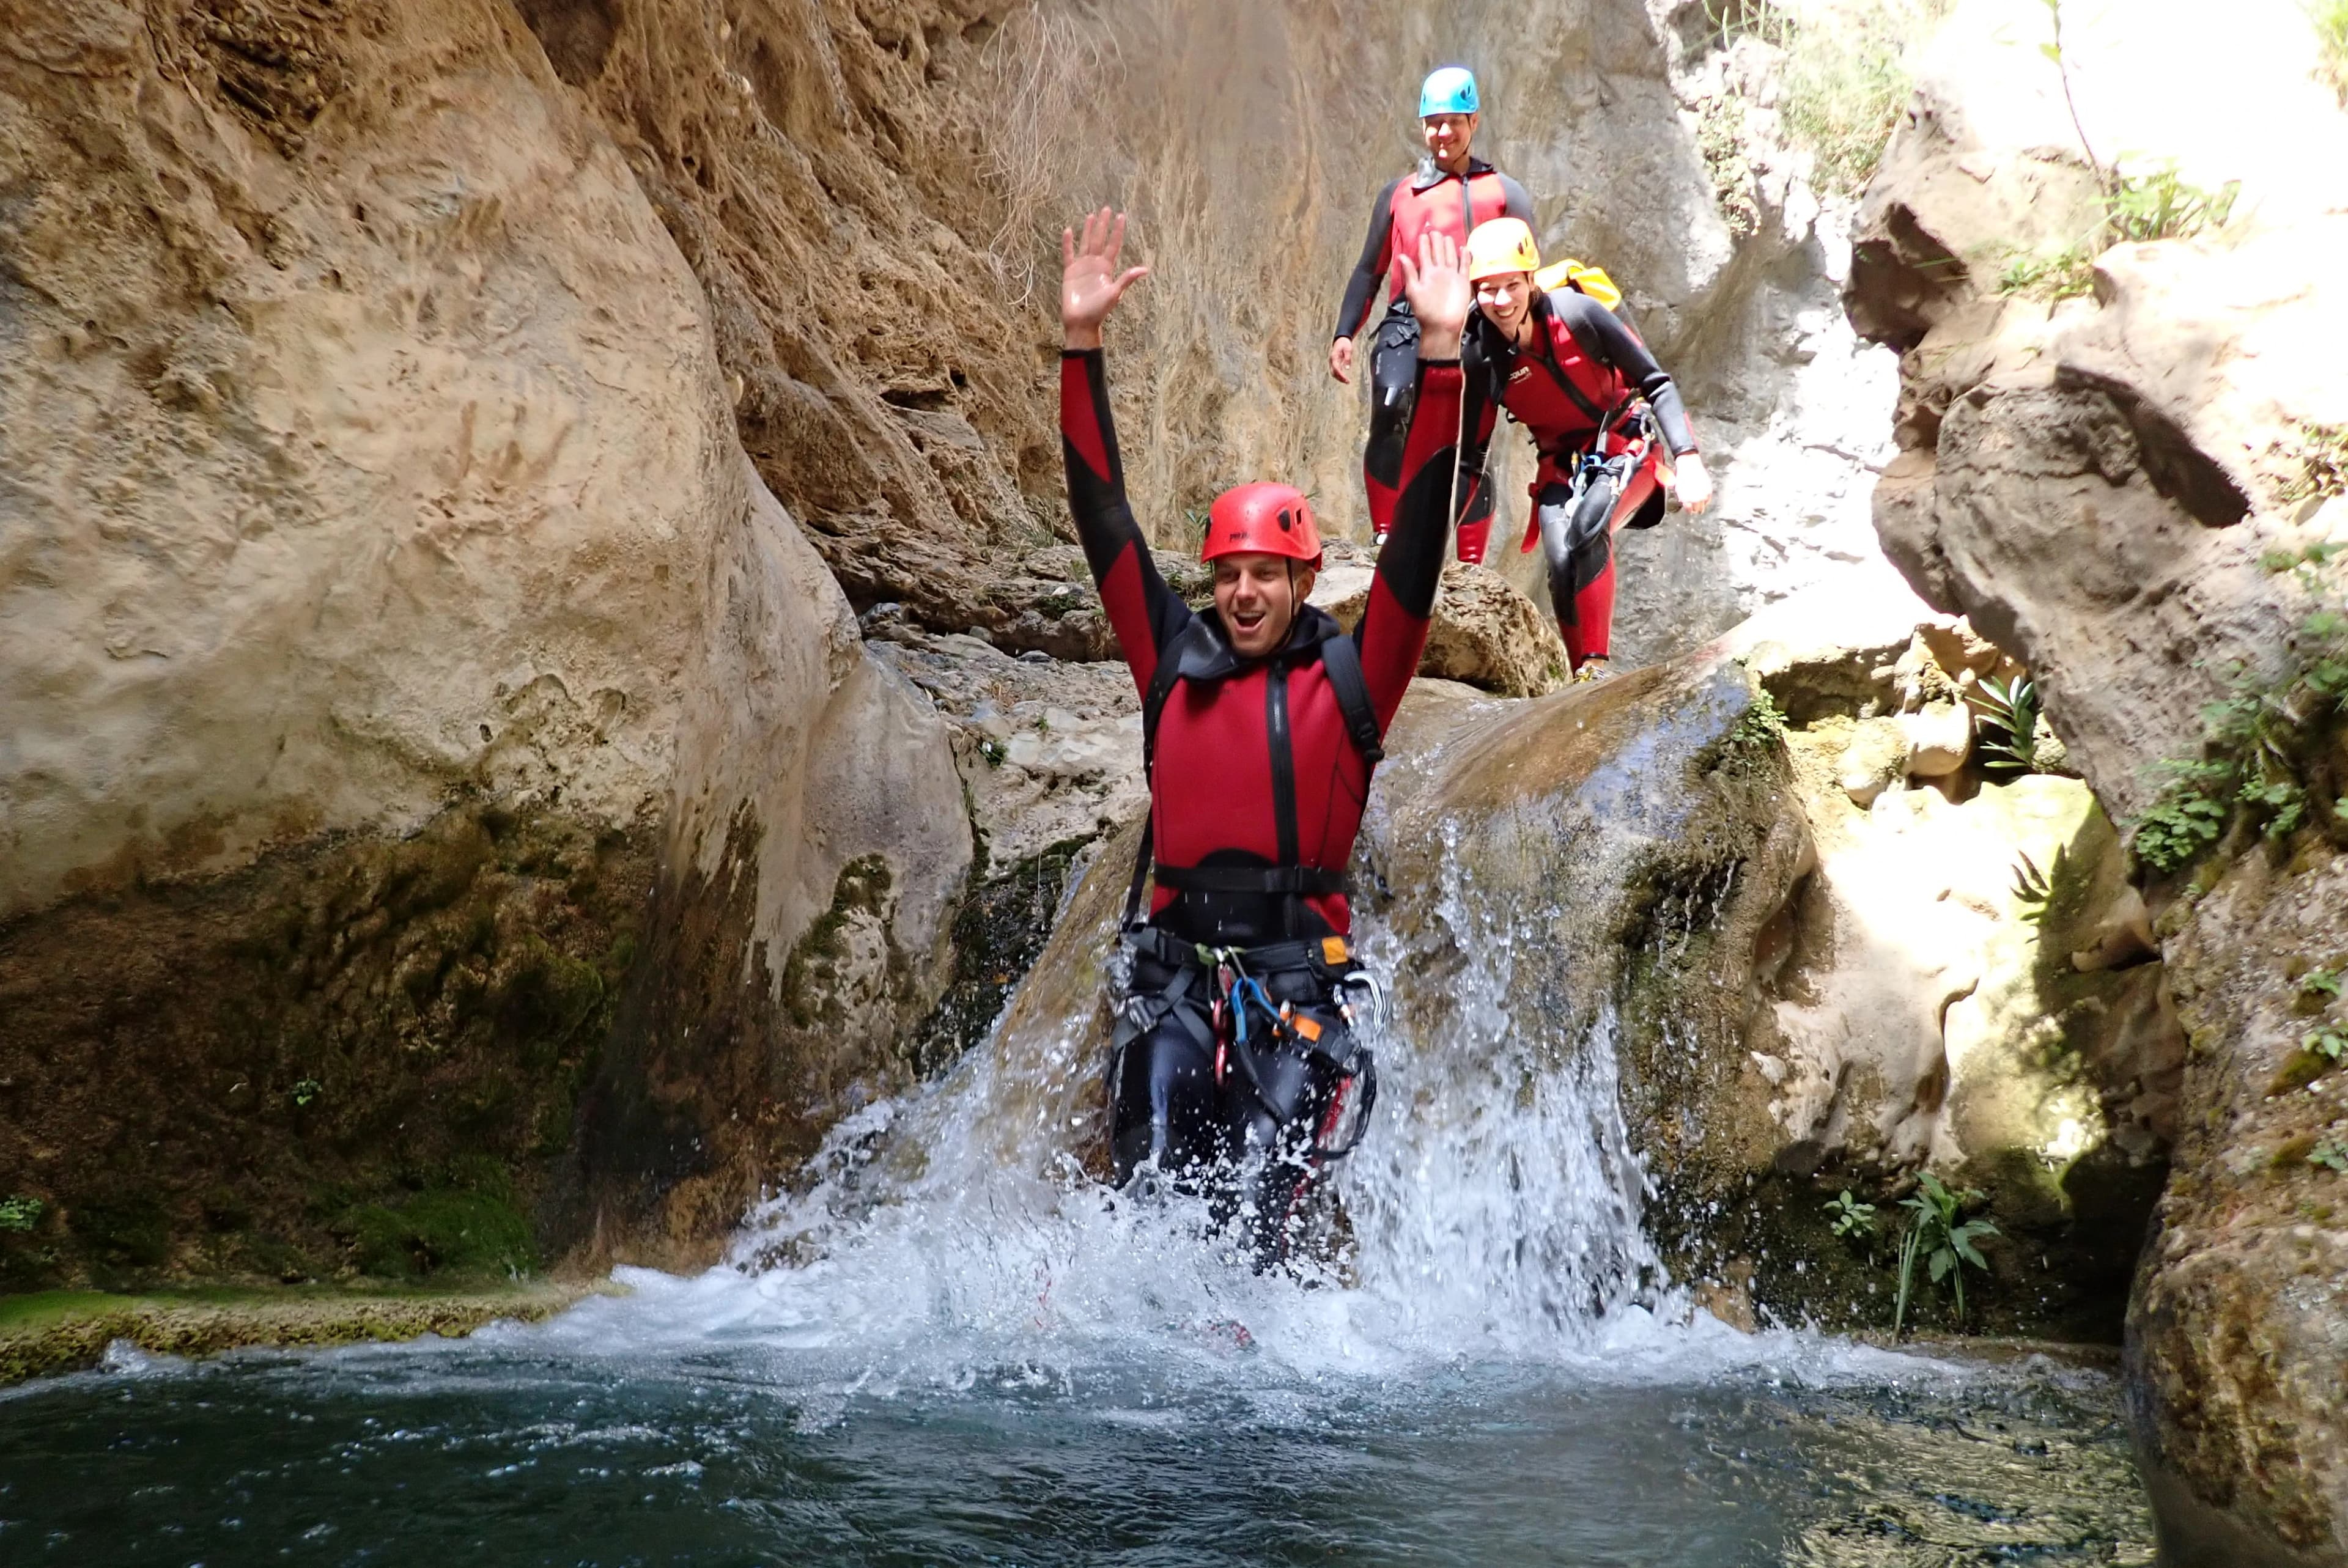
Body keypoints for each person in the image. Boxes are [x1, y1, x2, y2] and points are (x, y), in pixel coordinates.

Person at [1061, 207, 1471, 1264]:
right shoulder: (1168, 660)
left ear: (1303, 579)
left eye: (1266, 575)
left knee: (1258, 1230)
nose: (1243, 593)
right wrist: (1081, 346)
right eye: (1228, 574)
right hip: (1173, 978)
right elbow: (1104, 520)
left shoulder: (1354, 676)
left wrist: (1439, 357)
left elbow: (1420, 542)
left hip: (1297, 991)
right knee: (1147, 1183)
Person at [1456, 216, 1713, 679]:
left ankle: (1597, 665)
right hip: (1560, 463)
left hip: (1628, 443)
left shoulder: (1577, 314)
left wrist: (1688, 458)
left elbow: (1656, 383)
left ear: (1531, 280)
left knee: (1586, 528)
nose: (1500, 300)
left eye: (1511, 285)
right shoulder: (1482, 354)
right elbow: (1471, 456)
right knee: (1558, 556)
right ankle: (1580, 682)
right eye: (1487, 289)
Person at [1329, 66, 1533, 549]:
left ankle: (1466, 561)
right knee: (1389, 404)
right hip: (1407, 321)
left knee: (1473, 441)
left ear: (1474, 122)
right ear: (1423, 126)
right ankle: (1386, 535)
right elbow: (1368, 270)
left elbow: (1528, 277)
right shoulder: (1400, 194)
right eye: (1434, 122)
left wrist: (1531, 344)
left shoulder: (1505, 192)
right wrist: (1344, 333)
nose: (1444, 132)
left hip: (1483, 327)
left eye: (1455, 121)